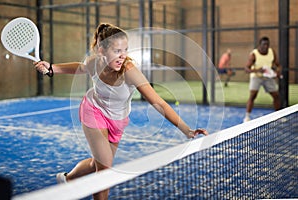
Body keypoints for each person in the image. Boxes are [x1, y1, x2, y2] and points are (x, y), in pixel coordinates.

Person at [35, 23, 208, 200]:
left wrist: (186, 129)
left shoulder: (129, 71)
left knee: (98, 162)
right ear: (101, 50)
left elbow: (157, 102)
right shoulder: (94, 63)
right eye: (117, 50)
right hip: (93, 110)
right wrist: (52, 68)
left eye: (125, 49)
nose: (123, 55)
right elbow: (80, 67)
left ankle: (68, 179)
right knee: (105, 169)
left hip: (118, 120)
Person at [243, 36, 281, 122]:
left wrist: (278, 72)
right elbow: (246, 68)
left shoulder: (272, 52)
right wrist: (258, 70)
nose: (266, 46)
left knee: (276, 96)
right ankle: (247, 117)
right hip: (256, 77)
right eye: (264, 44)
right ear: (259, 45)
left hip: (268, 77)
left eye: (267, 44)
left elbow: (278, 65)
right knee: (253, 96)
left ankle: (278, 116)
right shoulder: (254, 54)